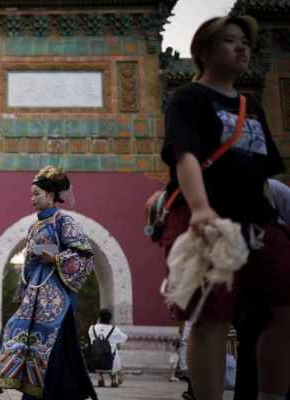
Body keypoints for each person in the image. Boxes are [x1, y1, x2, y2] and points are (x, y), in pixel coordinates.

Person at [159, 15, 290, 400]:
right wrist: (199, 208)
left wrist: (272, 221)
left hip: (257, 222)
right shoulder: (189, 97)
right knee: (210, 318)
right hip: (209, 219)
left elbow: (263, 173)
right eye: (231, 41)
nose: (242, 48)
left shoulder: (253, 108)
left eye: (245, 42)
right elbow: (184, 153)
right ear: (203, 51)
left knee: (285, 308)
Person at [0, 166, 97, 400]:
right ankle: (34, 391)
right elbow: (28, 264)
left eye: (37, 194)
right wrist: (24, 291)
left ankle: (55, 392)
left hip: (56, 297)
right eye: (31, 194)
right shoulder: (33, 227)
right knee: (30, 339)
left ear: (51, 196)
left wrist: (57, 258)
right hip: (35, 294)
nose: (32, 199)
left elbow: (86, 255)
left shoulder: (63, 221)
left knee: (52, 343)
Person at [233, 179, 290, 400]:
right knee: (248, 346)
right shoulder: (222, 195)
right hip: (250, 291)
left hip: (275, 278)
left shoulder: (277, 191)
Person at [88, 309, 128, 387]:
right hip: (111, 363)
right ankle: (114, 376)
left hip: (97, 363)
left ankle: (100, 378)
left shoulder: (92, 329)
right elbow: (125, 338)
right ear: (110, 319)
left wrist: (97, 324)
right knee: (120, 376)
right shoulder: (114, 330)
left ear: (99, 318)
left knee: (97, 354)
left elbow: (92, 341)